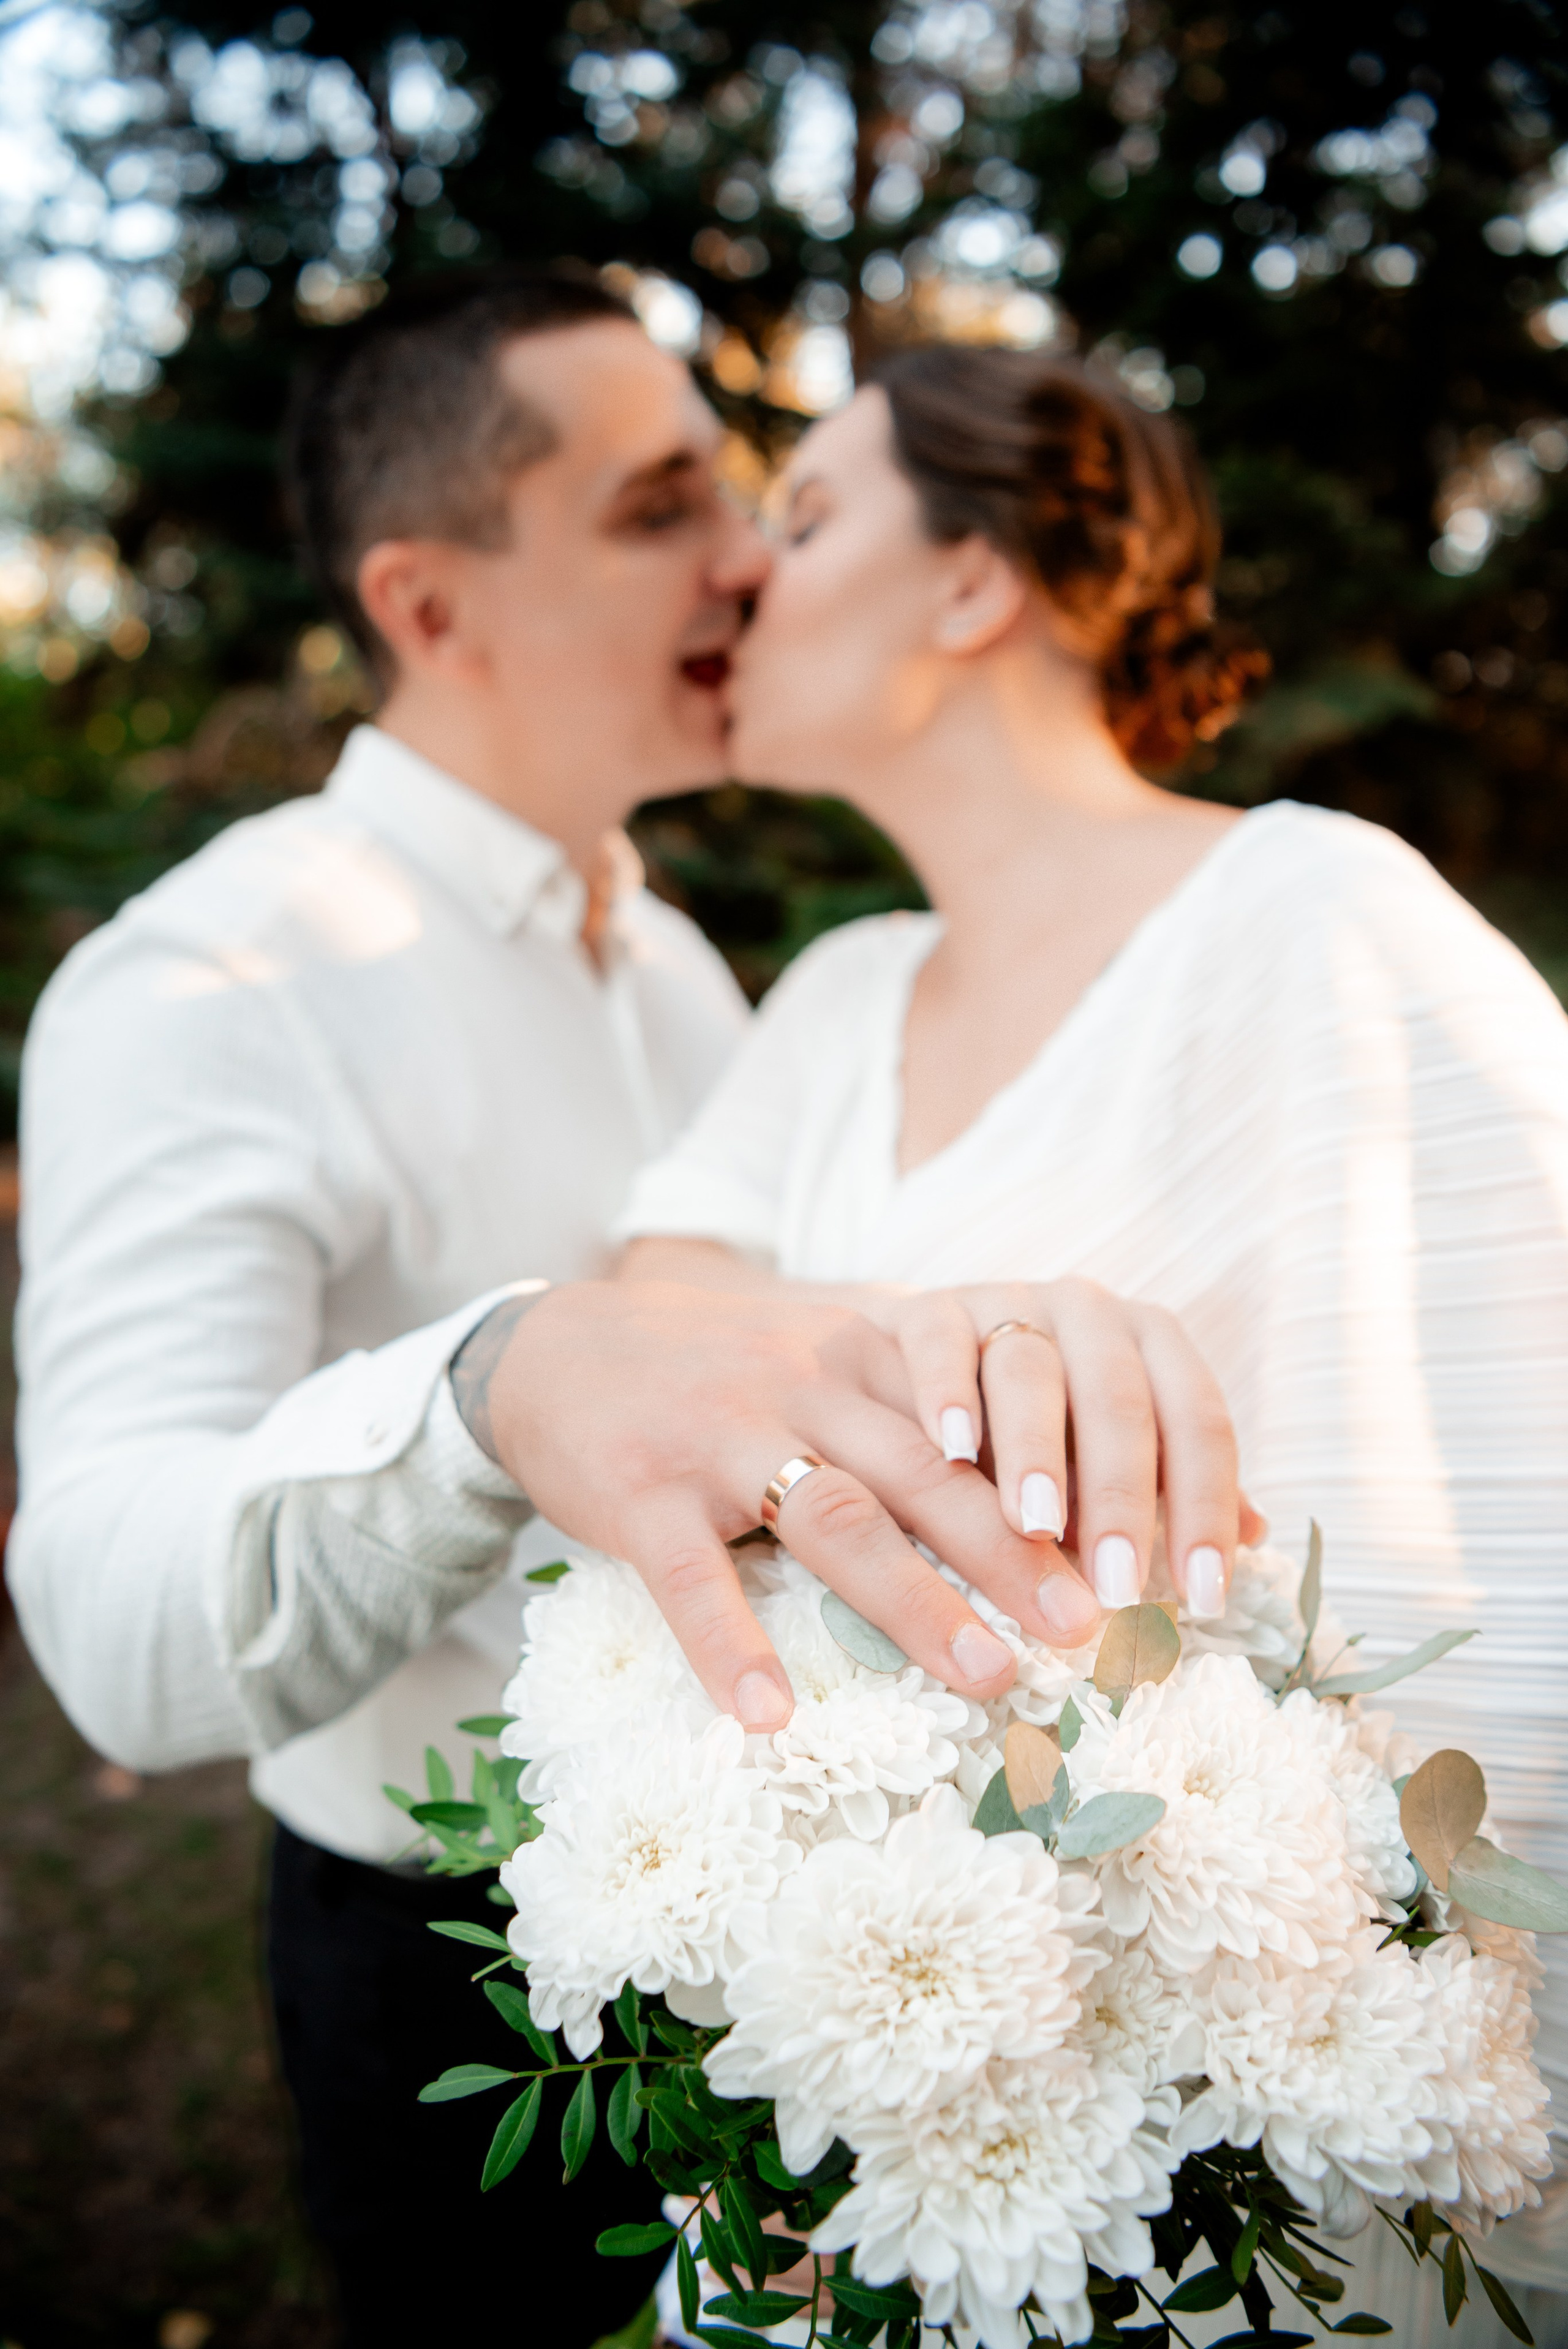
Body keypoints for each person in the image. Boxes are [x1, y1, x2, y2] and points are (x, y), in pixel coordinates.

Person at [6, 278, 1251, 2345]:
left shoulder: (681, 962)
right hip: (448, 1971)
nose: (751, 560)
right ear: (431, 600)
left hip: (801, 1922)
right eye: (664, 505)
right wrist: (492, 1377)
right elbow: (114, 1630)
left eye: (748, 502)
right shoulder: (204, 980)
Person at [617, 343, 1568, 2337]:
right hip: (865, 2107)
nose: (739, 582)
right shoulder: (835, 997)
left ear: (972, 586)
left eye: (804, 521)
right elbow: (643, 1360)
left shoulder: (1318, 912)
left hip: (1211, 2122)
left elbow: (1522, 1579)